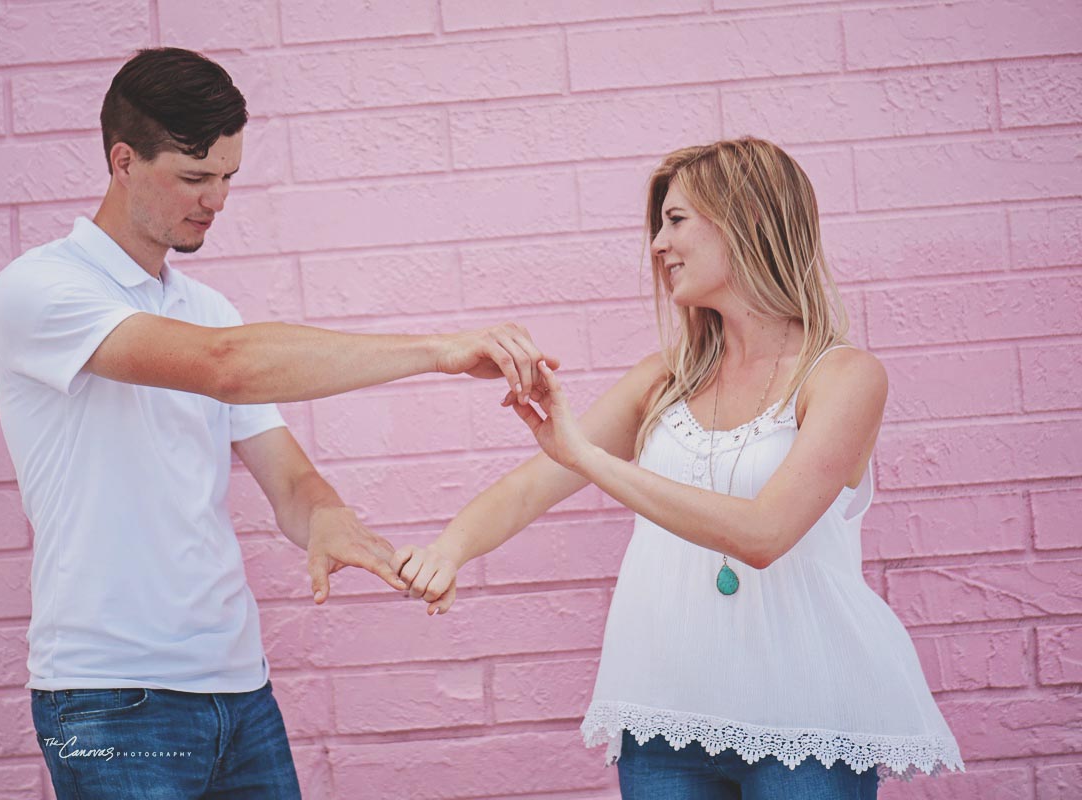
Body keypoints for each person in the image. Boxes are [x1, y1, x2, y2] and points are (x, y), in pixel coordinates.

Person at [0, 47, 555, 800]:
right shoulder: (40, 290)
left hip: (239, 691)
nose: (216, 200)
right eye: (195, 178)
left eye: (227, 177)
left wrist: (327, 518)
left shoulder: (207, 307)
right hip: (110, 699)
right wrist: (441, 352)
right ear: (122, 161)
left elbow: (286, 477)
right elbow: (228, 365)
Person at [394, 138, 963, 798]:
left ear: (749, 219)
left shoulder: (843, 377)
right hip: (664, 715)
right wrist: (448, 549)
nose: (658, 245)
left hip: (806, 723)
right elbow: (536, 481)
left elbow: (763, 534)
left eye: (677, 220)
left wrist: (588, 455)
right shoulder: (664, 379)